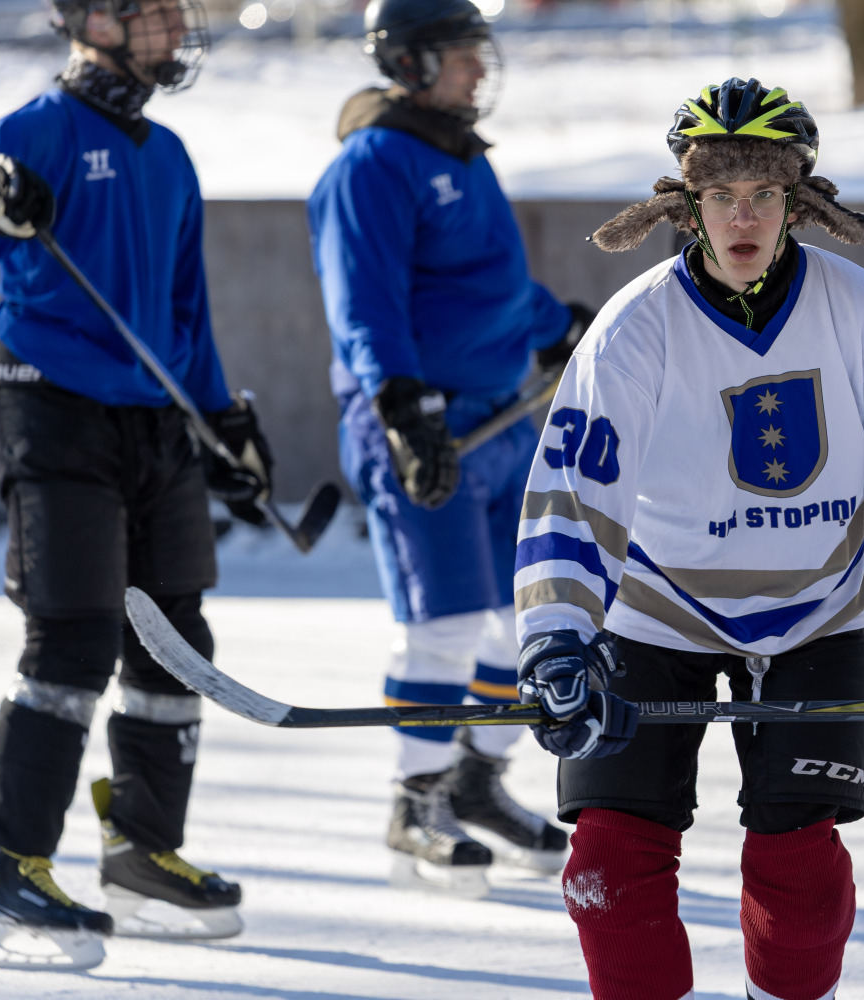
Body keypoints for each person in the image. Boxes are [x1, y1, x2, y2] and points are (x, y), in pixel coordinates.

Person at [512, 78, 864, 1000]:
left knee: (800, 877)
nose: (743, 216)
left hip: (817, 618)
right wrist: (557, 636)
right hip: (654, 618)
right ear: (686, 205)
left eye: (764, 192)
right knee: (608, 869)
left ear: (798, 202)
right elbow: (573, 497)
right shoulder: (631, 332)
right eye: (720, 194)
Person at [0, 0, 270, 970]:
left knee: (174, 634)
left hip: (155, 419)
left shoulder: (170, 155)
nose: (173, 30)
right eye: (154, 13)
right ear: (93, 22)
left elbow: (185, 311)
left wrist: (222, 422)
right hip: (52, 401)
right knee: (72, 632)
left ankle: (144, 847)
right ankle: (16, 863)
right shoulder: (40, 128)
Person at [306, 0, 593, 893]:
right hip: (424, 428)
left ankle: (477, 778)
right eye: (462, 54)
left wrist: (557, 328)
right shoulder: (374, 164)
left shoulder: (464, 159)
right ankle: (415, 796)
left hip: (504, 421)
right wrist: (401, 405)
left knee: (528, 616)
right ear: (408, 60)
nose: (479, 69)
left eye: (480, 52)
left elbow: (493, 288)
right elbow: (364, 303)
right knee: (445, 622)